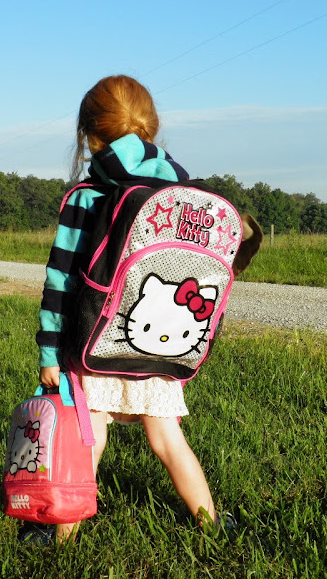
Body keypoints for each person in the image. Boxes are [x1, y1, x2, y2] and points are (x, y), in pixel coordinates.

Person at [36, 74, 230, 543]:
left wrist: (49, 354)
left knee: (90, 437)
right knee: (168, 440)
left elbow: (60, 282)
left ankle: (60, 535)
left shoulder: (87, 197)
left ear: (88, 135)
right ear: (151, 127)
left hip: (96, 341)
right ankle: (212, 523)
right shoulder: (181, 197)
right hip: (165, 348)